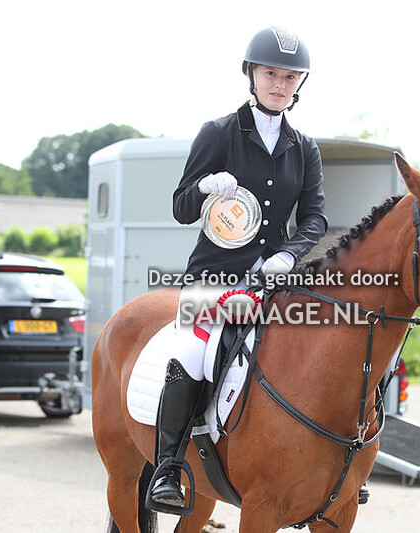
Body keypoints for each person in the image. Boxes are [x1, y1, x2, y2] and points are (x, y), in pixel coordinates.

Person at [147, 26, 328, 510]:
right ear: (251, 74)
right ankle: (167, 470)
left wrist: (289, 254)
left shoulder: (304, 147)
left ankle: (329, 464)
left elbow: (315, 216)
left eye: (291, 77)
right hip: (211, 279)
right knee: (192, 352)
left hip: (273, 282)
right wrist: (206, 186)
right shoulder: (219, 133)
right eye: (272, 73)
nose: (281, 84)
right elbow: (181, 207)